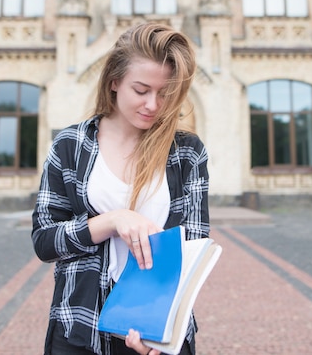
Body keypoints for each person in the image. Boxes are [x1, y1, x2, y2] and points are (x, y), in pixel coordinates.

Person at [31, 22, 210, 355]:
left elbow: (193, 249)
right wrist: (112, 221)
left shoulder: (187, 151)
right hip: (80, 327)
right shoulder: (70, 146)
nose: (153, 105)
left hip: (159, 332)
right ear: (114, 81)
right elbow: (44, 242)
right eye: (141, 90)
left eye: (165, 92)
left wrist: (163, 329)